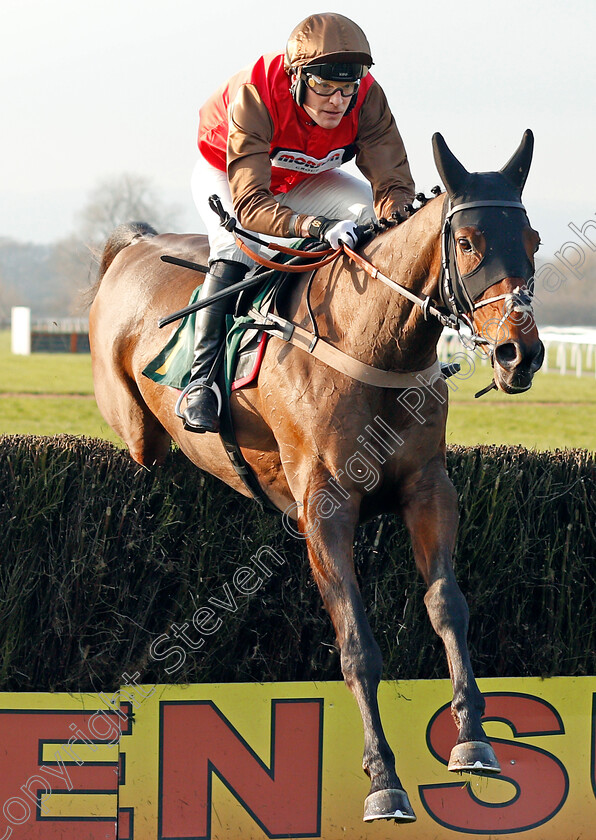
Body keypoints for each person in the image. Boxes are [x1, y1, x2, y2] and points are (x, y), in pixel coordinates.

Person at [184, 12, 415, 434]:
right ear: (295, 78)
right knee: (236, 243)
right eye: (323, 87)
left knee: (368, 212)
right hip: (231, 174)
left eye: (346, 88)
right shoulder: (255, 93)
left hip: (304, 175)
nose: (337, 101)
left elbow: (393, 183)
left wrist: (397, 219)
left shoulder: (367, 96)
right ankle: (202, 383)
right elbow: (252, 204)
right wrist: (314, 226)